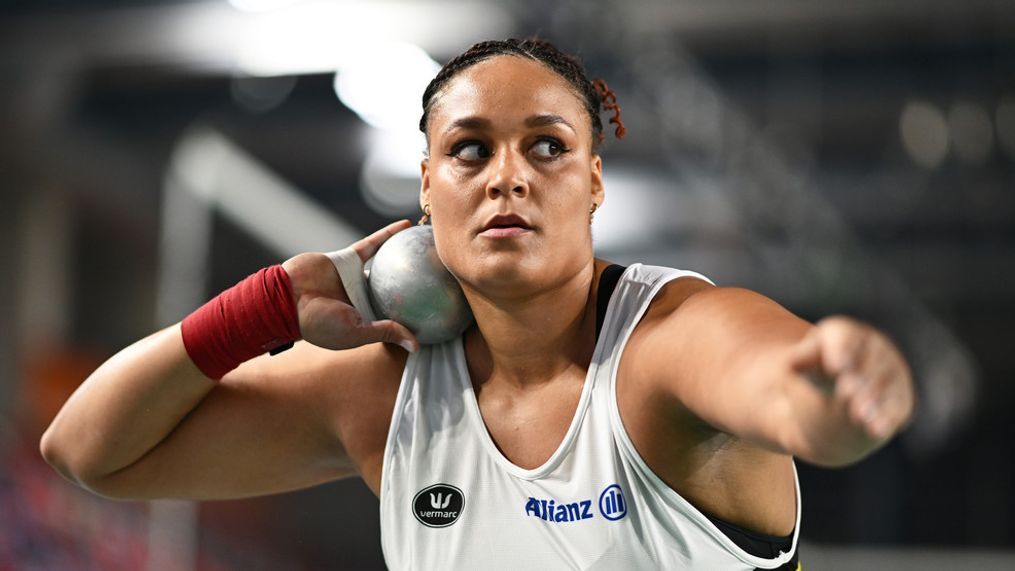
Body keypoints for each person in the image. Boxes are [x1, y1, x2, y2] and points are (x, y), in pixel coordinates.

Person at [40, 38, 915, 570]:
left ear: (593, 182)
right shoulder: (381, 391)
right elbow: (87, 451)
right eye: (469, 150)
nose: (508, 176)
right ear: (426, 187)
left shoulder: (665, 348)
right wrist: (264, 306)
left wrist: (839, 388)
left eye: (546, 146)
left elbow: (792, 399)